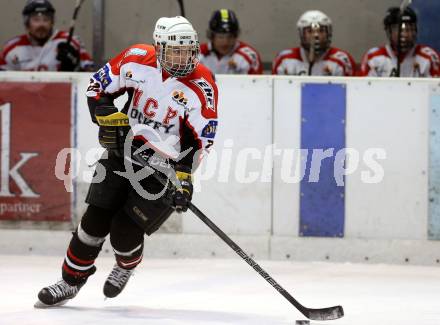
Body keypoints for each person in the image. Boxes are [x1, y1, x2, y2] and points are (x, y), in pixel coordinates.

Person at [34, 16, 218, 307]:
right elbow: (97, 88)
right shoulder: (136, 59)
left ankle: (126, 265)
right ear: (158, 48)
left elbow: (197, 143)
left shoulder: (202, 86)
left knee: (123, 232)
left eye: (188, 50)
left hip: (162, 170)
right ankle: (70, 282)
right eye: (175, 50)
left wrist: (184, 182)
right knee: (93, 222)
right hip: (123, 154)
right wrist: (107, 116)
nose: (183, 58)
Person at [0, 0, 93, 71]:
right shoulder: (12, 48)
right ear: (27, 23)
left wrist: (75, 66)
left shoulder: (70, 42)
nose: (41, 24)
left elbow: (90, 76)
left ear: (52, 22)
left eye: (46, 19)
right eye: (36, 19)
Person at [360, 6, 440, 77]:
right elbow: (362, 89)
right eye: (398, 29)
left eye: (409, 29)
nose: (404, 34)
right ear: (389, 31)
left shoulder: (429, 57)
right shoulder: (373, 57)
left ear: (415, 30)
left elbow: (436, 90)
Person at [272, 10, 356, 76]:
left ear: (328, 33)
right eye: (310, 31)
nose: (316, 35)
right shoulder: (284, 59)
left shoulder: (342, 60)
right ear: (302, 34)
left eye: (321, 31)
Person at [200, 9, 263, 74]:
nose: (225, 42)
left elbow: (259, 83)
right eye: (220, 37)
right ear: (211, 36)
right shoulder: (197, 54)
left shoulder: (249, 57)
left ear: (236, 36)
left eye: (230, 36)